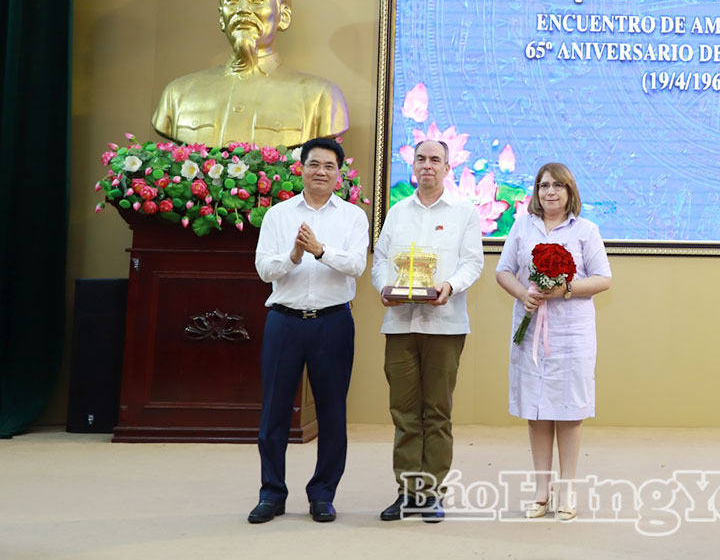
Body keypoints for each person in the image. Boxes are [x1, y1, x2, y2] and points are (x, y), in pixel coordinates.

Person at [248, 137, 369, 524]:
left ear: (339, 174)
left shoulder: (353, 217)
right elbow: (264, 269)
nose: (321, 172)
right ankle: (271, 493)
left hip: (333, 322)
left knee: (332, 413)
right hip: (284, 321)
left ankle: (322, 494)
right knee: (274, 412)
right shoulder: (278, 215)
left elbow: (356, 266)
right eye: (314, 164)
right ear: (301, 168)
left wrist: (319, 251)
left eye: (329, 166)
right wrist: (293, 256)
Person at [371, 139, 484, 523]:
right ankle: (407, 492)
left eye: (436, 159)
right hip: (400, 324)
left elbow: (473, 263)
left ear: (448, 168)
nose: (427, 165)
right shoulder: (397, 211)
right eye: (421, 158)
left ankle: (431, 493)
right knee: (404, 412)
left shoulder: (464, 212)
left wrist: (449, 286)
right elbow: (381, 261)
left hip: (445, 325)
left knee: (437, 412)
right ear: (413, 165)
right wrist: (384, 289)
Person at [495, 163, 612, 521]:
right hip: (531, 330)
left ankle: (568, 489)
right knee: (537, 412)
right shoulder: (521, 226)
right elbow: (503, 271)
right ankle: (541, 491)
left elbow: (603, 278)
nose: (550, 192)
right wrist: (523, 294)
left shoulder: (585, 230)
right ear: (536, 191)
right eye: (544, 185)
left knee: (570, 412)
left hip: (572, 334)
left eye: (558, 186)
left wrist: (565, 289)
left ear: (569, 191)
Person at [152, 0, 347, 147]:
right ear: (222, 17)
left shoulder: (320, 97)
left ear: (284, 16)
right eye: (232, 0)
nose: (243, 9)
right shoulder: (179, 94)